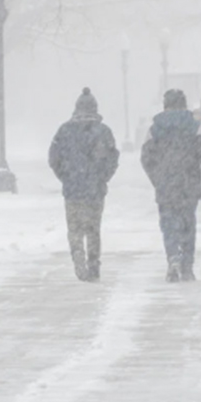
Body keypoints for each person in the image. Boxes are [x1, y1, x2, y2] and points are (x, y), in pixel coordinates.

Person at [141, 89, 201, 282]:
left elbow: (145, 157)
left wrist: (157, 178)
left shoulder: (154, 129)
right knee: (188, 224)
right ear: (184, 104)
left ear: (165, 105)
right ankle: (187, 266)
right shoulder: (196, 126)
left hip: (166, 186)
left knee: (168, 223)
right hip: (189, 183)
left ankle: (173, 257)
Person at [49, 87, 120, 282]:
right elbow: (113, 158)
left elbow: (54, 158)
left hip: (72, 190)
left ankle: (78, 256)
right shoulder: (104, 131)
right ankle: (94, 263)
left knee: (74, 228)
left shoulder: (64, 131)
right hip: (95, 190)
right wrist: (103, 177)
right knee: (93, 228)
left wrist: (66, 177)